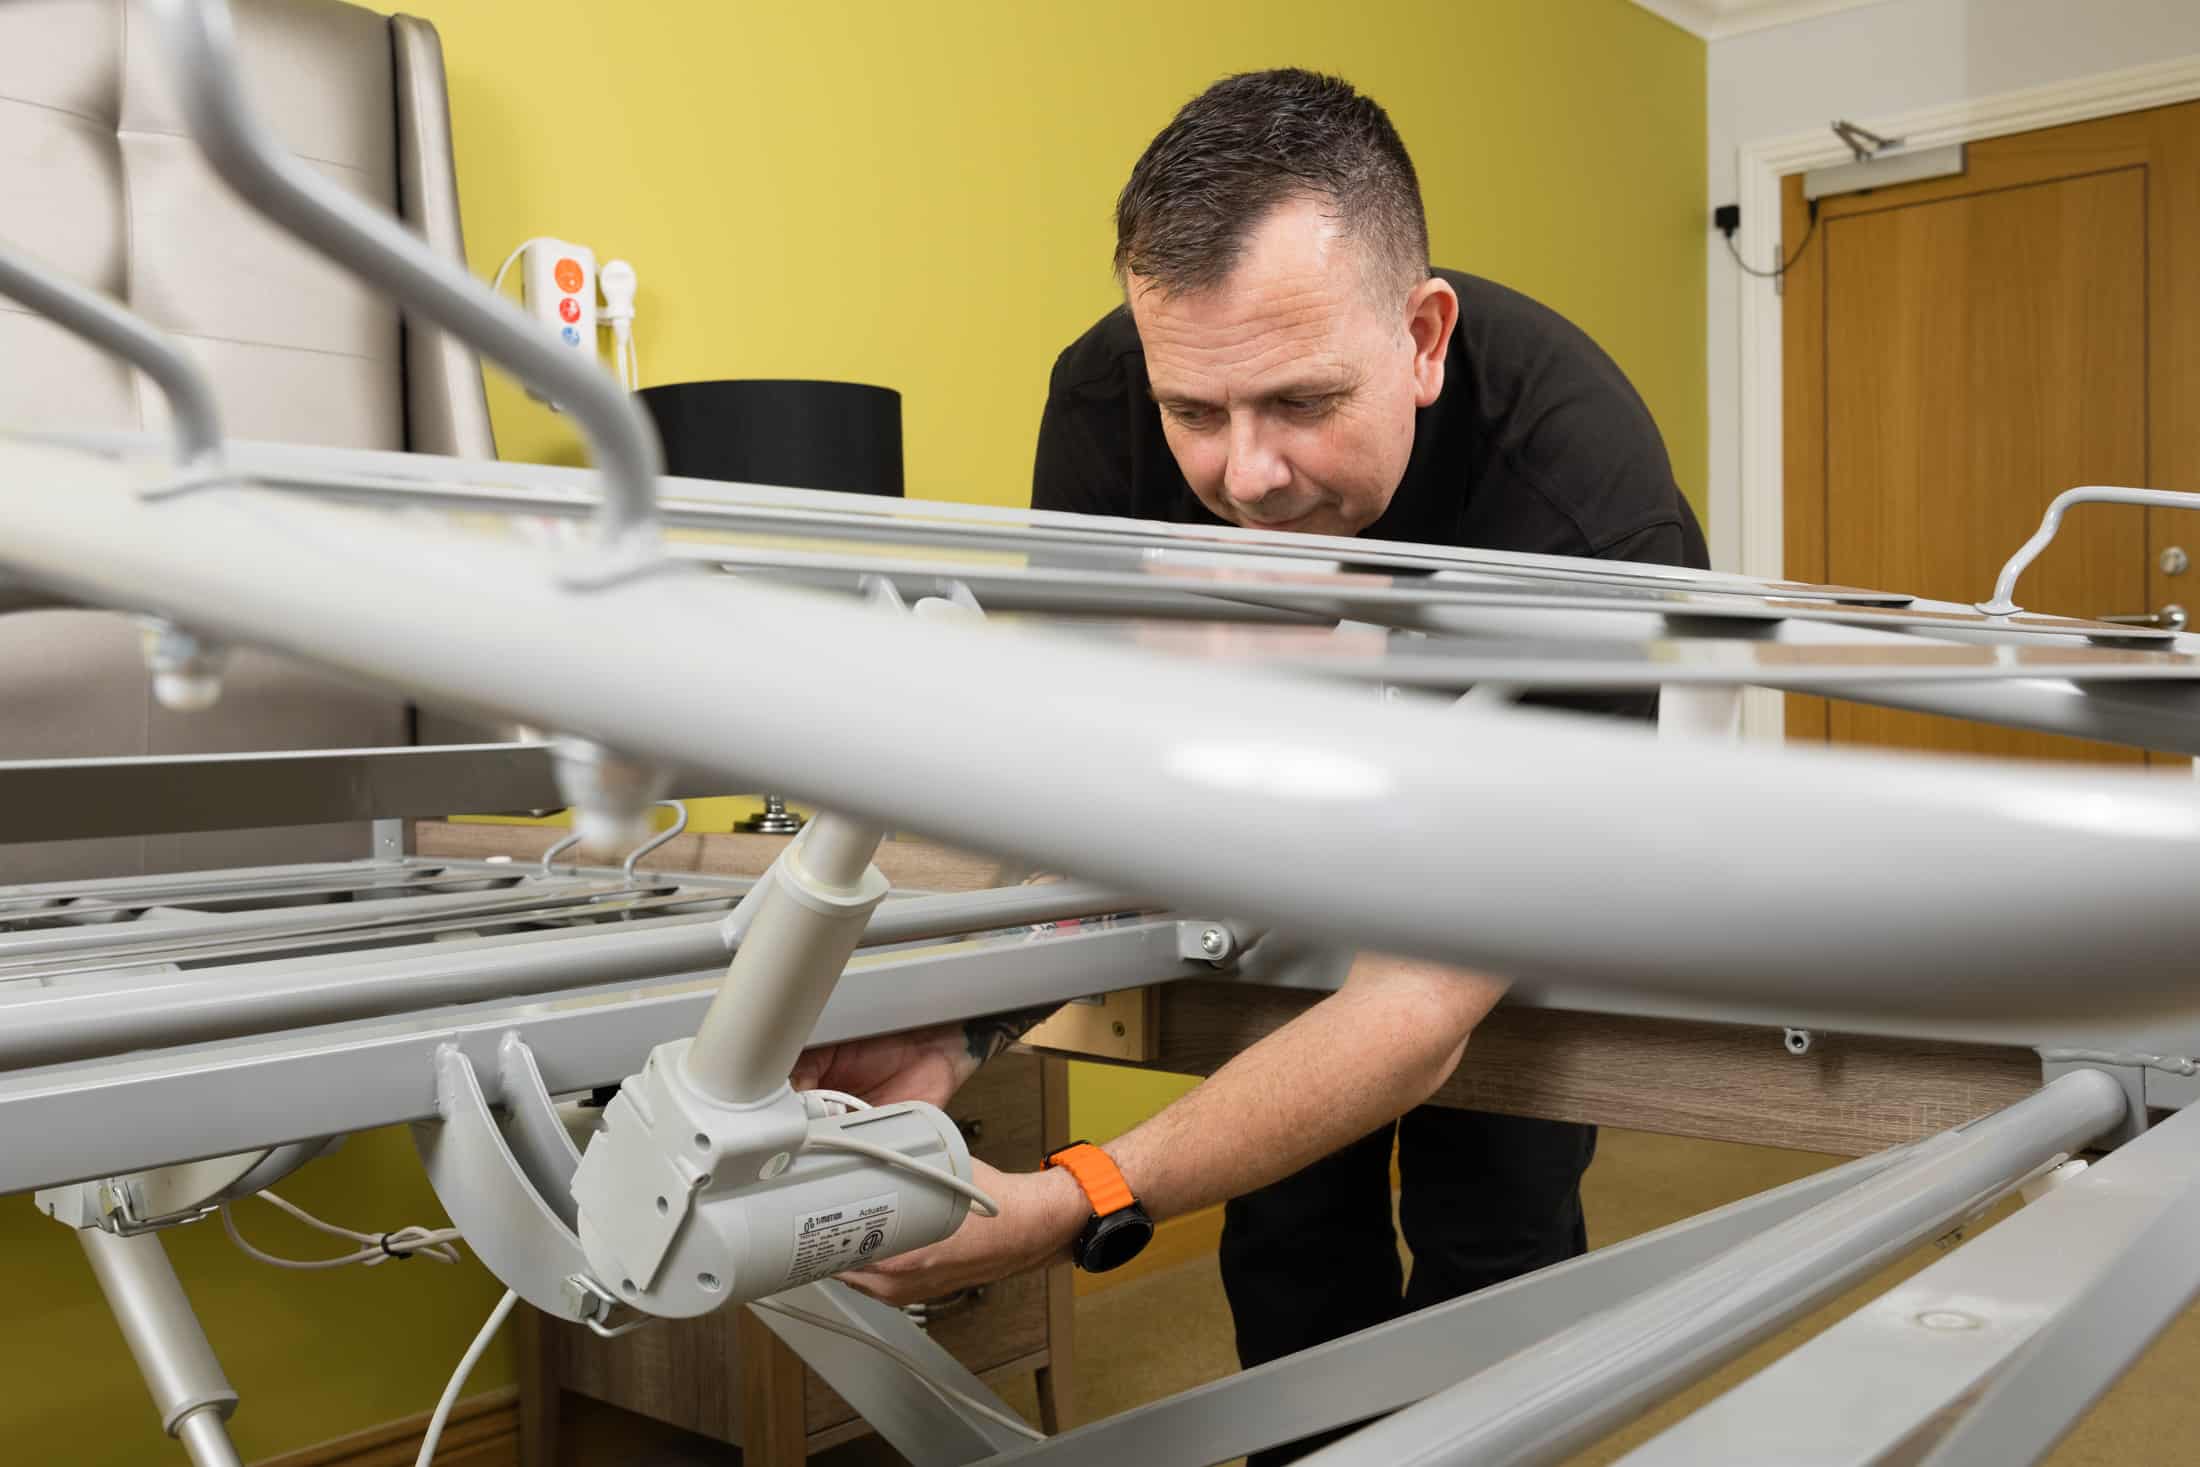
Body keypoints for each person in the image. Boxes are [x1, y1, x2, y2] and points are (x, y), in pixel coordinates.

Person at [793, 67, 1706, 1462]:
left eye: (1299, 401)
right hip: (1270, 820)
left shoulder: (1582, 499)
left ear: (1422, 335)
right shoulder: (1106, 400)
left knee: (1496, 1221)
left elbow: (1420, 1005)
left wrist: (1082, 1192)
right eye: (1199, 413)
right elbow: (1090, 778)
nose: (1248, 473)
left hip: (1510, 846)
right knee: (1287, 1238)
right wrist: (963, 1019)